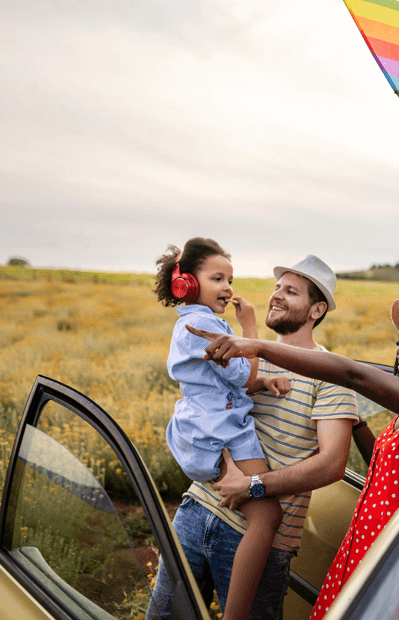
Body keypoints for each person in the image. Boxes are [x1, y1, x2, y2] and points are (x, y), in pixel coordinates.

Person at [187, 294, 399, 620]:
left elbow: (353, 375)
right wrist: (351, 419)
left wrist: (258, 347)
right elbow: (382, 471)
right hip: (365, 550)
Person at [149, 255, 364, 620]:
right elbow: (200, 399)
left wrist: (253, 486)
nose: (276, 295)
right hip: (196, 510)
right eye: (277, 287)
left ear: (317, 309)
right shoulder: (246, 354)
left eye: (291, 291)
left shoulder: (329, 374)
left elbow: (331, 465)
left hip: (258, 538)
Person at [151, 238, 286, 620]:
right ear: (188, 284)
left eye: (230, 279)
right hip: (223, 433)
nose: (228, 287)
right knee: (268, 517)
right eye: (217, 278)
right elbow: (243, 376)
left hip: (201, 430)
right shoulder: (209, 326)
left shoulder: (188, 323)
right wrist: (249, 327)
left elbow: (223, 381)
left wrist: (264, 383)